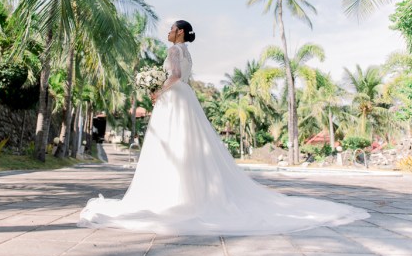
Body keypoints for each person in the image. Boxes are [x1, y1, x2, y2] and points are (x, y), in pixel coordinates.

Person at [78, 20, 369, 235]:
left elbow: (176, 76)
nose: (168, 31)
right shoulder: (186, 51)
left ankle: (173, 194)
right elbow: (183, 76)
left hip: (175, 96)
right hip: (184, 99)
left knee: (175, 144)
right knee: (184, 144)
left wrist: (157, 91)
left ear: (179, 31)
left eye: (171, 28)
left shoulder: (174, 51)